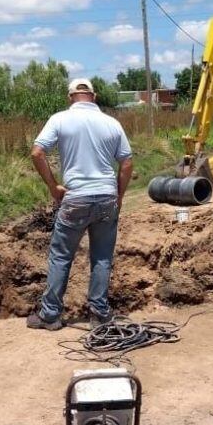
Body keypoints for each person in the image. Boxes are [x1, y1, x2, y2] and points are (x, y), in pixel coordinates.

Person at [28, 78, 133, 331]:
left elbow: (37, 152)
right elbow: (127, 163)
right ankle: (99, 312)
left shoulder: (60, 119)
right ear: (94, 96)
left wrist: (54, 187)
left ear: (70, 97)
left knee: (61, 256)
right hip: (106, 197)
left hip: (75, 197)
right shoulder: (112, 123)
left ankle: (50, 314)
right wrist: (118, 195)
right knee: (102, 257)